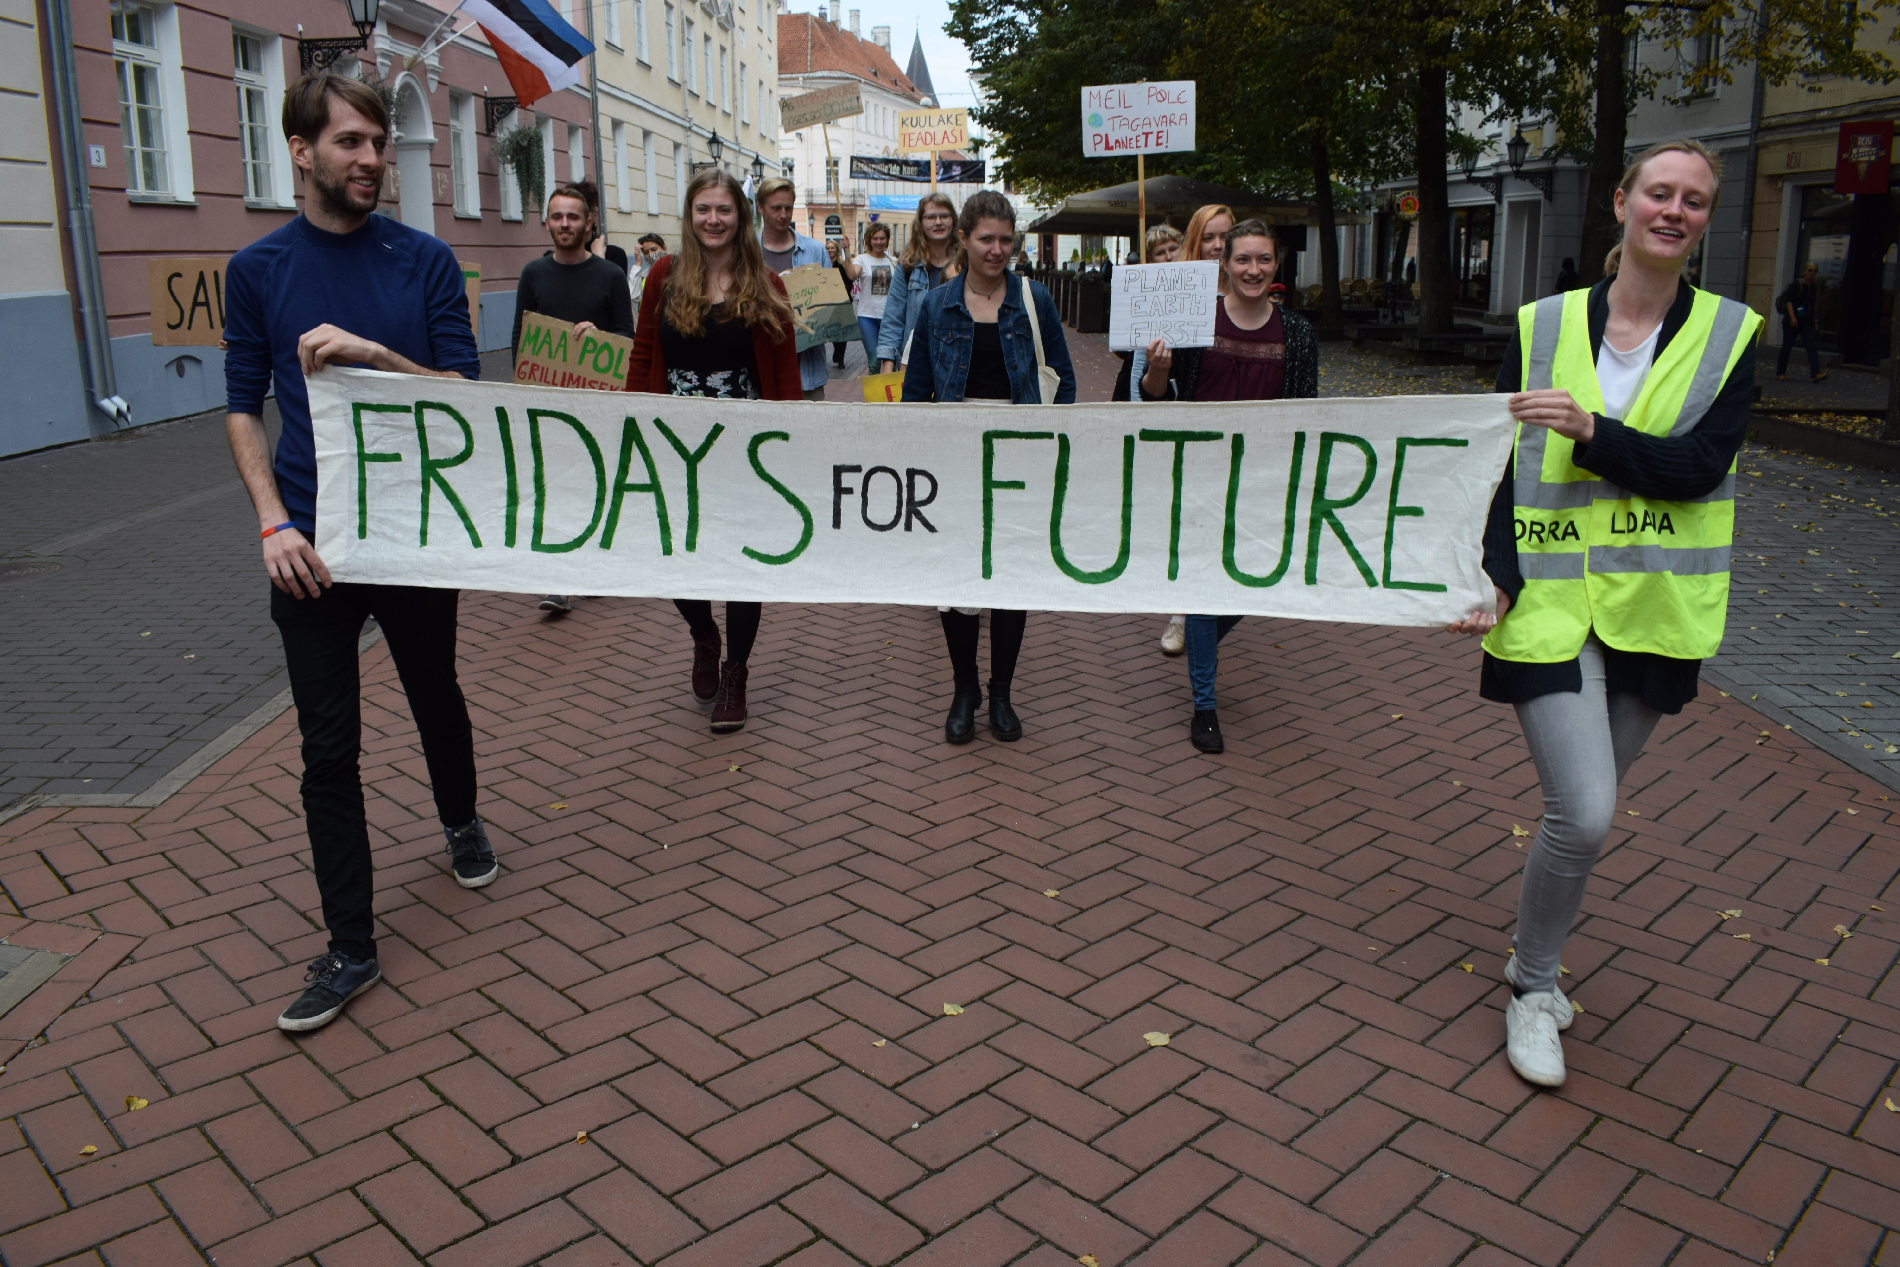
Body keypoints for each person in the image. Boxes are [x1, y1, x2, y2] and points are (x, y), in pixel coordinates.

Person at [1447, 139, 1760, 1089]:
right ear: (1622, 203)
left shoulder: (1735, 335)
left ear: (1704, 219)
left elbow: (1698, 468)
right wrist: (1492, 569)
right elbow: (1503, 463)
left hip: (1655, 609)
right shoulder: (1542, 323)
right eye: (1659, 193)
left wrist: (1594, 432)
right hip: (1547, 604)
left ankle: (1526, 958)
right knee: (1582, 813)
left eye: (1695, 201)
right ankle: (1534, 989)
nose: (1675, 211)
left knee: (1584, 818)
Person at [223, 72, 491, 1034]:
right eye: (350, 143)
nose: (373, 159)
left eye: (379, 142)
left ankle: (460, 817)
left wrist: (378, 358)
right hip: (311, 547)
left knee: (435, 693)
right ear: (301, 152)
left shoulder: (422, 261)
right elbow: (240, 405)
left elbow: (465, 400)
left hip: (414, 533)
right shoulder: (257, 271)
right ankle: (351, 945)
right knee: (325, 748)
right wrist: (271, 521)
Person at [628, 169, 802, 732]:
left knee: (741, 562)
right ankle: (704, 633)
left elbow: (783, 370)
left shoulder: (767, 286)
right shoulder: (664, 275)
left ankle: (736, 672)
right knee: (675, 556)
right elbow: (643, 353)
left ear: (740, 216)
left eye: (723, 210)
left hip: (746, 447)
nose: (713, 219)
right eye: (703, 209)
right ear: (689, 214)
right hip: (674, 440)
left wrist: (793, 439)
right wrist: (628, 422)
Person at [1137, 221, 1319, 754]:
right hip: (1200, 473)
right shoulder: (1197, 320)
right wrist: (1156, 370)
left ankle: (1201, 641)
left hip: (1263, 479)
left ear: (1276, 265)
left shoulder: (1298, 333)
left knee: (1252, 581)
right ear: (1225, 263)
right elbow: (1156, 399)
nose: (1253, 270)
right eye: (1243, 260)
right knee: (1203, 586)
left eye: (1263, 260)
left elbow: (1307, 412)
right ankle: (1205, 706)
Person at [902, 190, 1076, 744]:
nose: (997, 250)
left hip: (1020, 450)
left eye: (1006, 239)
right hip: (954, 452)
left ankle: (1001, 691)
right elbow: (915, 395)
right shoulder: (936, 305)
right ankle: (964, 688)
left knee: (1010, 574)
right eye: (986, 239)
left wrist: (1049, 443)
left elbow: (1064, 381)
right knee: (956, 578)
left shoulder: (1034, 299)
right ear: (964, 240)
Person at [512, 181, 638, 616]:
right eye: (558, 216)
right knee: (553, 487)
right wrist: (522, 390)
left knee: (594, 483)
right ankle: (559, 577)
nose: (565, 224)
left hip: (597, 403)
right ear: (547, 223)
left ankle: (595, 561)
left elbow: (627, 336)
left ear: (589, 223)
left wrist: (599, 337)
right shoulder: (533, 273)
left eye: (574, 217)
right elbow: (521, 337)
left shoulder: (611, 276)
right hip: (548, 401)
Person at [1151, 206, 1235, 657]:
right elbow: (1157, 378)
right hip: (1191, 422)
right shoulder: (1181, 290)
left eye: (1226, 236)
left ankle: (1211, 605)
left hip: (1238, 426)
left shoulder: (1249, 288)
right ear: (1196, 242)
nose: (1218, 246)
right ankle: (1184, 612)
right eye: (1209, 237)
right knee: (1191, 519)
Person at [755, 177, 831, 400]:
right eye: (776, 208)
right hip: (759, 368)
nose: (783, 214)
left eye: (788, 208)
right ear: (760, 207)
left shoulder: (814, 251)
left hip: (806, 371)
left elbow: (832, 309)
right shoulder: (747, 251)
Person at [877, 192, 958, 373]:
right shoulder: (908, 266)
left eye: (944, 216)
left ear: (953, 221)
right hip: (916, 362)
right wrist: (887, 365)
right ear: (921, 223)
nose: (938, 222)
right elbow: (893, 318)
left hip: (957, 365)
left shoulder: (966, 264)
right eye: (930, 217)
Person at [1111, 224, 1185, 401]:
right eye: (1160, 252)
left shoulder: (1195, 284)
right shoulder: (1141, 291)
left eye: (1173, 249)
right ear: (1151, 259)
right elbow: (1127, 352)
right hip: (1147, 373)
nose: (1168, 257)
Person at [843, 222, 896, 371]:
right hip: (867, 317)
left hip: (889, 317)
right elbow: (852, 274)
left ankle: (886, 393)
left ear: (887, 240)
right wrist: (846, 251)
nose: (879, 242)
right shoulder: (862, 259)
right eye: (875, 238)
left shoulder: (892, 261)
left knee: (889, 360)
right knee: (874, 361)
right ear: (869, 240)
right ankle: (874, 394)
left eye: (882, 238)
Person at [1775, 262, 1826, 383]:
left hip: (1806, 321)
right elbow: (1789, 302)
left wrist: (1815, 321)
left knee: (1811, 345)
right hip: (1792, 321)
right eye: (1810, 270)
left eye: (1814, 271)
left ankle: (1816, 373)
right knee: (1787, 346)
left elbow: (1812, 305)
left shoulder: (1813, 286)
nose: (1812, 273)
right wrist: (1793, 318)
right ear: (1804, 271)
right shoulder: (1796, 285)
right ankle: (1780, 372)